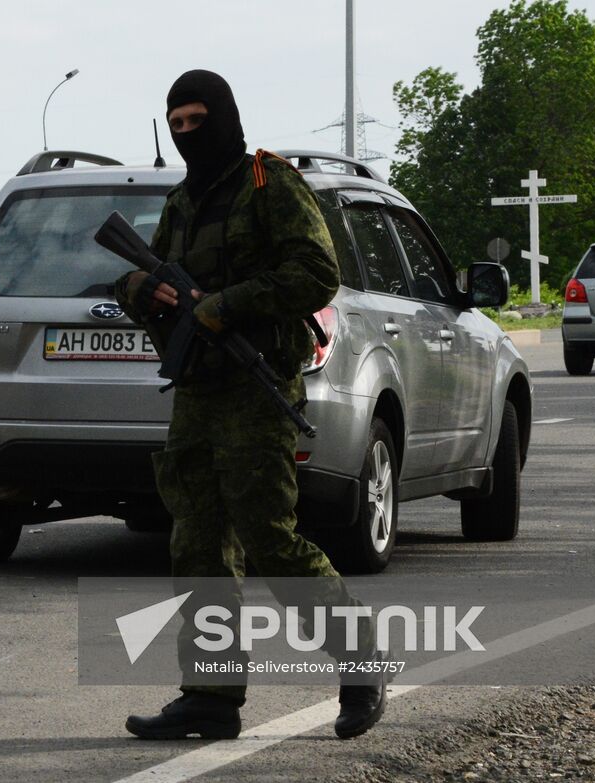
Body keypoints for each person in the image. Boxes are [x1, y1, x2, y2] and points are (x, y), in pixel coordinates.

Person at [116, 71, 385, 739]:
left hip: (255, 388)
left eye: (197, 120)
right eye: (177, 124)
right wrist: (138, 289)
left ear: (226, 117)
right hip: (196, 392)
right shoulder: (181, 202)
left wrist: (228, 304)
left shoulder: (269, 184)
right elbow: (145, 274)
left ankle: (360, 659)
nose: (188, 134)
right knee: (197, 545)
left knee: (270, 538)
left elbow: (317, 273)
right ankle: (210, 696)